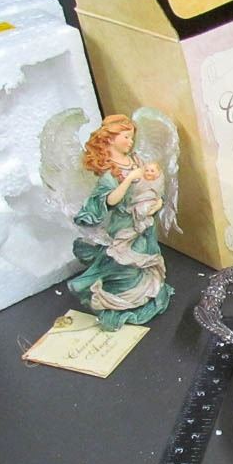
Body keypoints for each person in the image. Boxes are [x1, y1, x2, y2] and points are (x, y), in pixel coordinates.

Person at [66, 115, 173, 330]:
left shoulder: (136, 160)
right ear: (110, 139)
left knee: (145, 258)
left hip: (144, 221)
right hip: (123, 224)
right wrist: (129, 178)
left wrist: (158, 201)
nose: (130, 142)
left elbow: (151, 184)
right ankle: (122, 301)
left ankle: (145, 296)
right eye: (126, 137)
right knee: (128, 264)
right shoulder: (109, 171)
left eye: (132, 137)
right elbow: (110, 200)